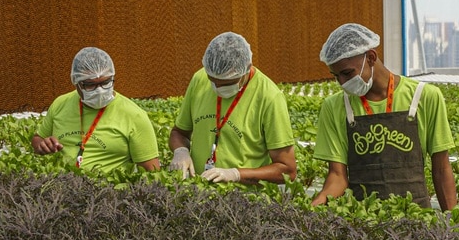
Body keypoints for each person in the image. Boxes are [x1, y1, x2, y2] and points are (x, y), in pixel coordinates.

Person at [311, 23, 458, 210]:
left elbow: (441, 169)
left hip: (416, 216)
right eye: (336, 76)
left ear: (371, 57)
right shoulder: (334, 106)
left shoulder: (424, 96)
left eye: (347, 73)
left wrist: (452, 225)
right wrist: (319, 201)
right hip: (362, 220)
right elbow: (337, 176)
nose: (342, 82)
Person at [167, 32, 296, 184]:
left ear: (246, 69)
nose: (218, 88)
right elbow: (179, 132)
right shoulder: (200, 79)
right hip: (199, 193)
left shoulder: (269, 97)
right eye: (213, 81)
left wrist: (236, 174)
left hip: (244, 201)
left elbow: (287, 170)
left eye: (227, 83)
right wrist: (180, 151)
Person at [31, 47, 161, 173]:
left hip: (107, 191)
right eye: (90, 85)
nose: (99, 90)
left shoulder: (134, 115)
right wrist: (42, 145)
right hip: (62, 187)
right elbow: (38, 138)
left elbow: (151, 172)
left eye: (105, 83)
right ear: (76, 82)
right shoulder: (60, 104)